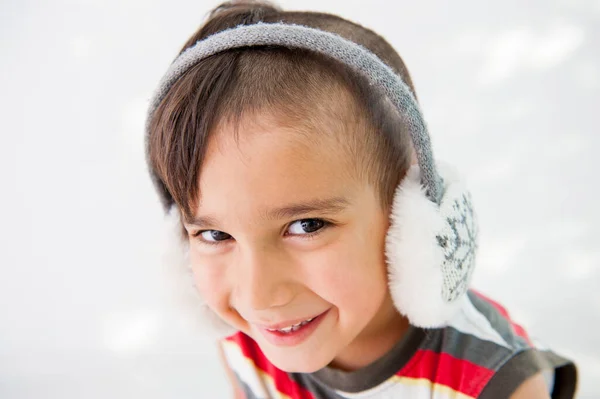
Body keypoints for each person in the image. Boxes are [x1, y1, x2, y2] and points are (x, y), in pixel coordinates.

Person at [144, 1, 578, 397]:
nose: (259, 295)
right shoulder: (245, 344)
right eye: (215, 234)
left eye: (307, 226)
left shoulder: (492, 382)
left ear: (412, 221)